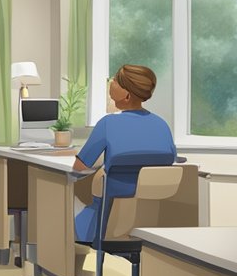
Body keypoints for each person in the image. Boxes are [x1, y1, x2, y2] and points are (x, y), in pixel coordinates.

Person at [70, 64, 176, 243]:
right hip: (148, 223)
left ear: (126, 95)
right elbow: (169, 160)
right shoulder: (162, 125)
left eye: (116, 80)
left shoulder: (108, 124)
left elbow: (79, 167)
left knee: (61, 196)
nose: (111, 82)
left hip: (104, 222)